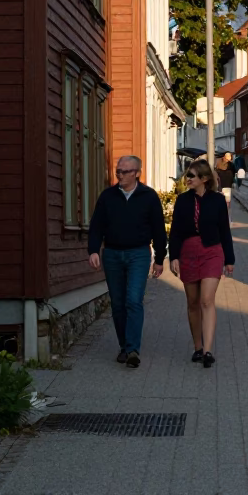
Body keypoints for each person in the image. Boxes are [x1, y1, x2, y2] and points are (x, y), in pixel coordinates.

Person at [87, 155, 167, 367]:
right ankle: (124, 346)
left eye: (125, 171)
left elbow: (159, 230)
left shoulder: (149, 197)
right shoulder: (107, 197)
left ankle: (132, 349)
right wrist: (93, 250)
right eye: (118, 171)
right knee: (118, 303)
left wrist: (159, 259)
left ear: (137, 173)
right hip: (112, 254)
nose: (120, 175)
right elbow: (96, 226)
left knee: (133, 300)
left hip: (138, 254)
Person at [169, 160, 235, 368]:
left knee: (207, 300)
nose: (188, 179)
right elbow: (176, 231)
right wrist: (174, 257)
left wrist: (229, 260)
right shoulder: (182, 200)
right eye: (187, 175)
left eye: (192, 175)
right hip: (188, 252)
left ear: (204, 179)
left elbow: (225, 230)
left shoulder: (217, 201)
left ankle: (208, 350)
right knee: (193, 302)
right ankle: (197, 347)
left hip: (212, 252)